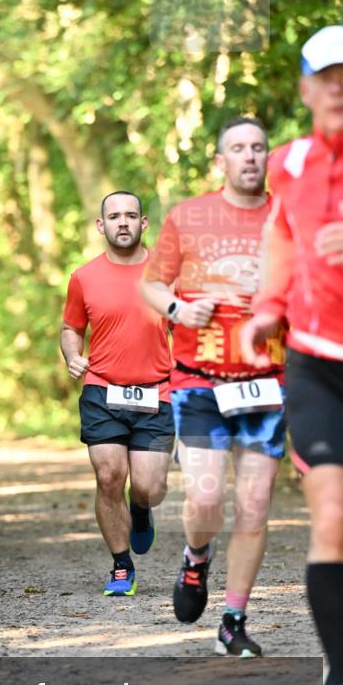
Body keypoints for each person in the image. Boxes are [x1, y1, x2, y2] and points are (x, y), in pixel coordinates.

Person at [141, 117, 286, 656]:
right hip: (199, 379)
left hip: (266, 379)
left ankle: (233, 619)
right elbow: (152, 283)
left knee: (254, 502)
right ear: (220, 161)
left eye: (258, 148)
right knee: (206, 498)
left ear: (267, 158)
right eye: (238, 149)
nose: (250, 156)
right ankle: (196, 557)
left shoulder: (286, 217)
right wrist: (181, 308)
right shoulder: (190, 215)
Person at [240, 25, 343, 685]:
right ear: (305, 88)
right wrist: (267, 309)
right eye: (326, 75)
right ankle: (341, 676)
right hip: (314, 361)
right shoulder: (289, 165)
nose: (339, 87)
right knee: (331, 511)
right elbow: (278, 237)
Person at [60, 191, 174, 597]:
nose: (122, 222)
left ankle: (140, 509)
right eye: (114, 216)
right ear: (100, 225)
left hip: (157, 393)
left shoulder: (168, 274)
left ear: (143, 223)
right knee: (109, 475)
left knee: (149, 487)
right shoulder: (83, 277)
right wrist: (73, 355)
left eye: (130, 215)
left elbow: (191, 329)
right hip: (103, 390)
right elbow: (71, 327)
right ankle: (121, 566)